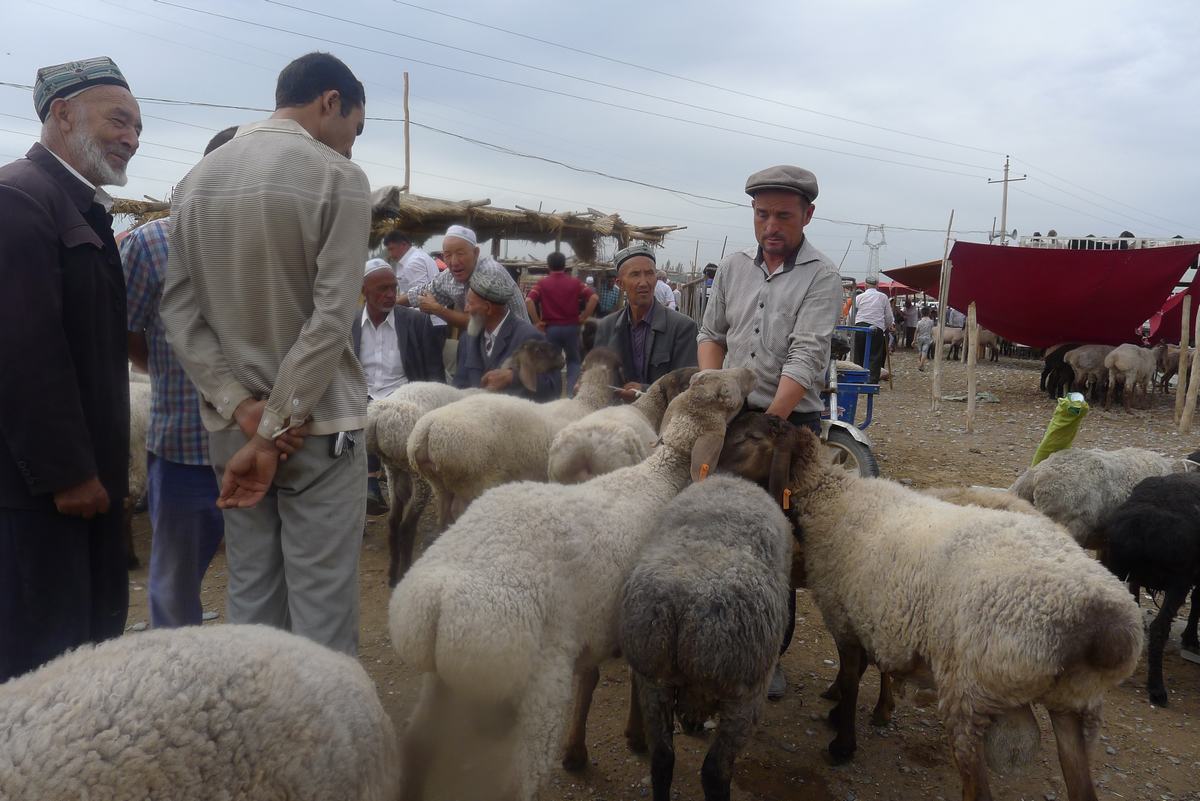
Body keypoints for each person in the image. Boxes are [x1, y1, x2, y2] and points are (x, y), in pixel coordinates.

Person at [160, 52, 370, 656]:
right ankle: (326, 746)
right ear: (331, 101)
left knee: (250, 593)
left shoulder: (198, 179)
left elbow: (180, 313)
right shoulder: (339, 178)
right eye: (353, 129)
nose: (351, 147)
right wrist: (278, 423)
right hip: (320, 429)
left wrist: (245, 410)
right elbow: (331, 318)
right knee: (323, 604)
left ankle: (257, 739)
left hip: (233, 430)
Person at [0, 57, 141, 681]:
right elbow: (22, 350)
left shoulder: (82, 208)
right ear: (62, 114)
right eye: (119, 120)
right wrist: (68, 473)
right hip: (39, 497)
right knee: (42, 662)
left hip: (87, 485)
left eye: (138, 127)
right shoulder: (19, 198)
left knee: (86, 647)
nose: (132, 138)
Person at [697, 164, 840, 700]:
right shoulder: (733, 267)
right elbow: (712, 332)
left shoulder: (822, 275)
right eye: (762, 214)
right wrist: (715, 393)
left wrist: (768, 425)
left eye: (784, 214)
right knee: (712, 522)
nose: (771, 225)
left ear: (807, 214)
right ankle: (712, 636)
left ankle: (767, 654)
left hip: (786, 423)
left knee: (775, 536)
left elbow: (806, 356)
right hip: (732, 413)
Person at [122, 126, 236, 629]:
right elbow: (124, 334)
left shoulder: (284, 245)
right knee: (175, 585)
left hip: (272, 447)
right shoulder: (151, 244)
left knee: (266, 576)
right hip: (188, 450)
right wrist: (178, 369)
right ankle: (176, 684)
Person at [352, 259, 446, 513]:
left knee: (384, 415)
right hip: (362, 396)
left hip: (405, 398)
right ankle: (366, 489)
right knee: (365, 414)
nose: (391, 295)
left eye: (393, 287)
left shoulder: (416, 322)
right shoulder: (348, 325)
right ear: (363, 291)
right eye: (382, 289)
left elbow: (434, 372)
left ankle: (374, 485)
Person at [595, 243, 698, 401]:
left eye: (649, 274)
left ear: (656, 279)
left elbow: (687, 386)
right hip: (616, 420)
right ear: (620, 283)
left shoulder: (682, 328)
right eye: (635, 274)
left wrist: (644, 391)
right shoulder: (606, 327)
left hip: (662, 421)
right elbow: (599, 378)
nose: (644, 282)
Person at [455, 268, 559, 401]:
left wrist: (513, 377)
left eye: (470, 303)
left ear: (488, 308)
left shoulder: (529, 337)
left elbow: (553, 389)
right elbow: (459, 385)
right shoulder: (467, 339)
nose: (465, 309)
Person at [398, 224, 529, 328]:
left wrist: (437, 309)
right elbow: (421, 292)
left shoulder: (489, 272)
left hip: (515, 344)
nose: (454, 262)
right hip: (484, 342)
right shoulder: (448, 276)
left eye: (460, 253)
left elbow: (476, 322)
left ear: (476, 253)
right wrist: (389, 303)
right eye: (448, 255)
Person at [525, 251, 597, 393]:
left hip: (551, 329)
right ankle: (571, 394)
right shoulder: (575, 283)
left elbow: (528, 301)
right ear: (565, 265)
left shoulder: (542, 284)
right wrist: (584, 316)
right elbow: (594, 298)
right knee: (574, 361)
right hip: (572, 328)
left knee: (552, 363)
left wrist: (537, 322)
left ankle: (554, 395)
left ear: (549, 266)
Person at [849, 276, 892, 383]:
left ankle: (856, 379)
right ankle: (871, 381)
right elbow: (889, 317)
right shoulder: (883, 297)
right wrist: (884, 327)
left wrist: (852, 328)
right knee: (875, 356)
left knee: (858, 355)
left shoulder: (859, 297)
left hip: (859, 327)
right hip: (876, 328)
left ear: (865, 286)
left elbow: (851, 315)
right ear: (877, 286)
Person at [384, 229, 441, 303]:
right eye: (389, 250)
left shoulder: (413, 263)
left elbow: (422, 295)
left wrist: (392, 303)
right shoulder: (417, 255)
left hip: (422, 313)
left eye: (392, 249)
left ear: (403, 244)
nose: (390, 255)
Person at [915, 307, 936, 371]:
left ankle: (921, 365)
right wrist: (933, 337)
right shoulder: (931, 322)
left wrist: (914, 339)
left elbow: (916, 331)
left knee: (920, 351)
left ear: (921, 313)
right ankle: (921, 365)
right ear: (929, 313)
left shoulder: (919, 322)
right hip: (927, 338)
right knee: (924, 352)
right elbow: (932, 330)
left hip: (920, 338)